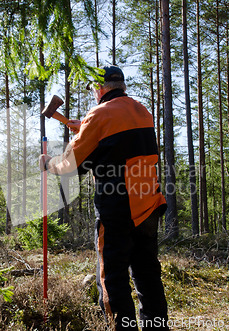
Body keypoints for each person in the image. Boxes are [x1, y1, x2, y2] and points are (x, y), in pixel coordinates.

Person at [39, 65, 168, 330]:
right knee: (147, 275)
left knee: (112, 278)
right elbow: (120, 143)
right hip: (150, 203)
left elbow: (74, 164)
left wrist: (48, 163)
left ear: (100, 88)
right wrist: (84, 129)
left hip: (118, 208)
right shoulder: (141, 111)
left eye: (93, 89)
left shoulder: (98, 115)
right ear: (121, 86)